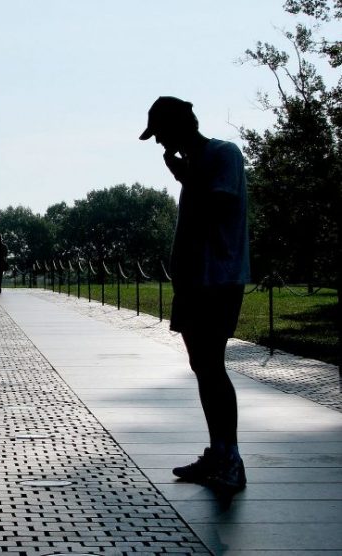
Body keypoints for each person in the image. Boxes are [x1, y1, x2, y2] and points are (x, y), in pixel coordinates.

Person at [140, 96, 250, 492]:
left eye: (160, 133)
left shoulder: (223, 155)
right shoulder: (198, 164)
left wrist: (186, 176)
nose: (158, 143)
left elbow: (219, 206)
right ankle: (218, 450)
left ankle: (230, 457)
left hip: (217, 280)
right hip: (192, 283)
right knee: (202, 366)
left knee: (213, 365)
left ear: (180, 126)